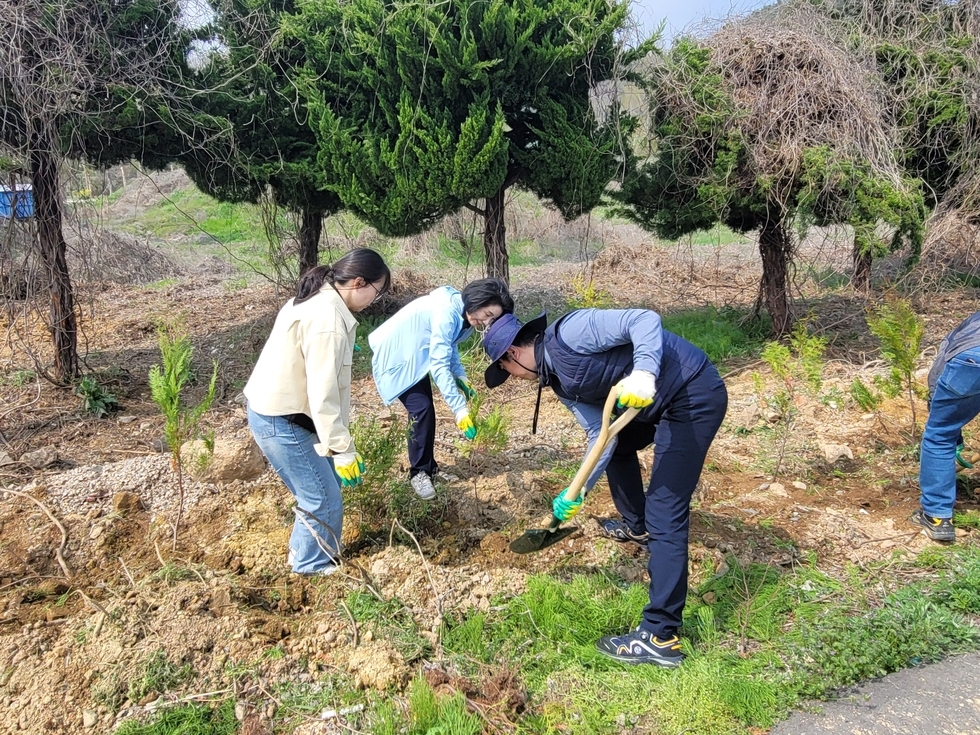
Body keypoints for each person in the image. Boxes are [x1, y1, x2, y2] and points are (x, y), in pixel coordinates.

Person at [482, 308, 728, 668]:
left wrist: (644, 373)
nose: (514, 379)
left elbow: (643, 320)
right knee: (620, 445)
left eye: (507, 371)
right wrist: (578, 490)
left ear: (513, 354)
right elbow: (602, 437)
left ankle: (660, 636)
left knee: (665, 510)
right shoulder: (559, 382)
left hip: (693, 394)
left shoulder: (571, 333)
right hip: (657, 406)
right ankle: (637, 526)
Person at [244, 249, 391, 576]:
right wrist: (342, 449)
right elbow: (323, 396)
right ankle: (309, 567)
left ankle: (303, 552)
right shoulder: (328, 321)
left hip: (278, 411)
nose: (374, 300)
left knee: (321, 489)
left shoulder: (319, 297)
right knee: (321, 497)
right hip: (283, 420)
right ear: (358, 282)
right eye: (376, 291)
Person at [370, 278, 513, 500]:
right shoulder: (446, 313)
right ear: (477, 300)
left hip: (416, 357)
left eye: (491, 319)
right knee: (421, 409)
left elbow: (450, 347)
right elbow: (439, 364)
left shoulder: (464, 317)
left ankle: (430, 468)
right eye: (486, 314)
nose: (484, 322)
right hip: (398, 358)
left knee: (425, 410)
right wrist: (459, 410)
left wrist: (461, 377)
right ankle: (419, 473)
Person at [913, 311, 980, 542]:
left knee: (940, 435)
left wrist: (950, 432)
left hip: (971, 360)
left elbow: (938, 373)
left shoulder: (969, 327)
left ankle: (937, 517)